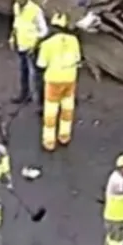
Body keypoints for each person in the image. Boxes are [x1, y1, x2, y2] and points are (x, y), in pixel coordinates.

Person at [36, 12, 82, 151]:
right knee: (67, 108)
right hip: (70, 78)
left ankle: (49, 141)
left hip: (54, 80)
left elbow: (41, 64)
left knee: (51, 110)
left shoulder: (47, 44)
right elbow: (77, 58)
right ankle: (64, 135)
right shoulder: (74, 40)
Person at [9, 0, 48, 104]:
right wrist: (12, 37)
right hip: (21, 44)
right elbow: (17, 23)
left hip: (32, 47)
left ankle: (41, 101)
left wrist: (35, 44)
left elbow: (44, 30)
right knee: (23, 72)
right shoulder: (16, 6)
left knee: (36, 75)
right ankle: (24, 95)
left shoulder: (35, 11)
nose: (18, 1)